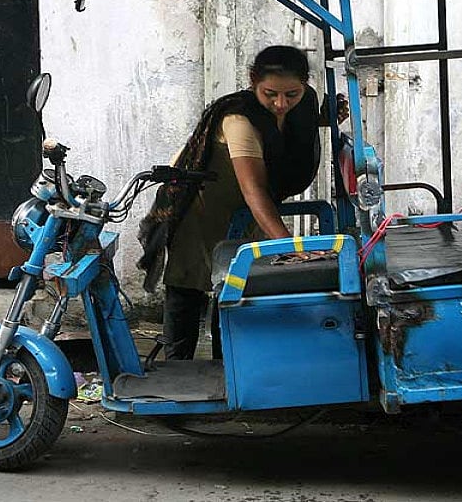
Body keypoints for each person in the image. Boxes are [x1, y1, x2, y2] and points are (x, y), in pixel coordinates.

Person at [136, 45, 341, 360]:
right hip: (199, 206)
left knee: (233, 286)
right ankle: (175, 373)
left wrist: (325, 118)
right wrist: (292, 248)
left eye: (292, 94)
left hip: (241, 214)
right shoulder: (238, 119)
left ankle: (227, 370)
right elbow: (254, 190)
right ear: (252, 81)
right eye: (270, 93)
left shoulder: (303, 102)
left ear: (304, 85)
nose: (280, 104)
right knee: (187, 284)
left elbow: (294, 131)